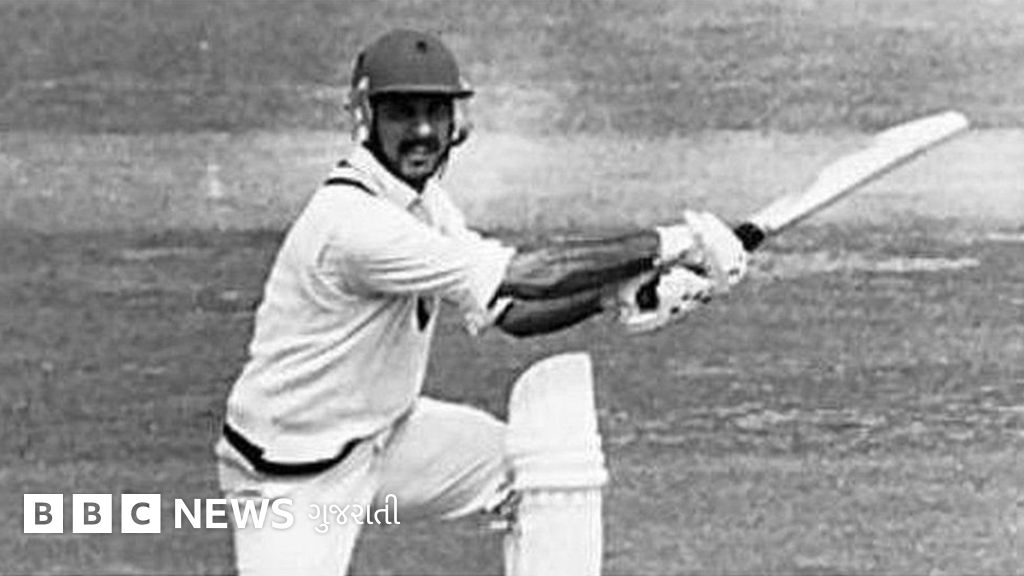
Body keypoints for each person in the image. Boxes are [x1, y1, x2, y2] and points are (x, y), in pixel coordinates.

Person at [215, 28, 749, 576]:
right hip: (292, 478)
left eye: (435, 112)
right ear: (366, 117)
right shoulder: (355, 225)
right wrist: (673, 242)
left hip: (384, 438)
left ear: (457, 121)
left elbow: (510, 313)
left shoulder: (424, 202)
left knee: (536, 469)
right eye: (402, 113)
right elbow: (529, 276)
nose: (423, 131)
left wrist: (613, 294)